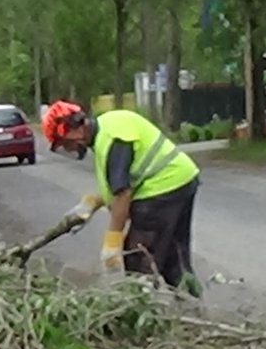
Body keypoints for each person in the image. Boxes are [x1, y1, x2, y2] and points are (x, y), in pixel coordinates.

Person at [42, 100, 203, 295]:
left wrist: (112, 242)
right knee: (175, 257)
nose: (69, 149)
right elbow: (121, 181)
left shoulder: (111, 140)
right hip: (181, 180)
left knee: (138, 260)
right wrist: (93, 202)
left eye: (65, 143)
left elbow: (122, 194)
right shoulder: (107, 128)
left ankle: (144, 310)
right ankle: (193, 306)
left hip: (160, 190)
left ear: (72, 129)